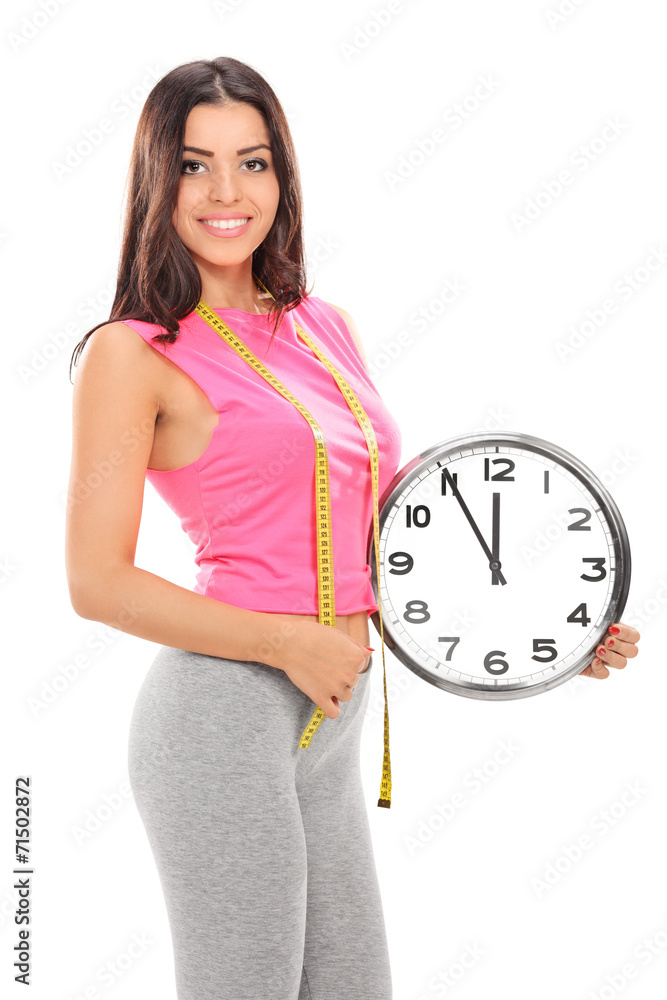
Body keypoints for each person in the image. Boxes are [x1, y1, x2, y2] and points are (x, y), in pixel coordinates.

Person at [65, 55, 641, 1000]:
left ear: (282, 178)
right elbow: (95, 582)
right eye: (194, 164)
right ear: (155, 181)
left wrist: (548, 639)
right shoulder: (131, 353)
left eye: (252, 162)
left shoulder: (323, 326)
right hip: (222, 717)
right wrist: (283, 643)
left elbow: (375, 536)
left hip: (334, 715)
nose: (225, 192)